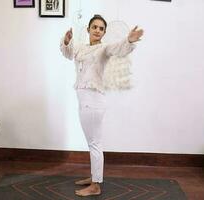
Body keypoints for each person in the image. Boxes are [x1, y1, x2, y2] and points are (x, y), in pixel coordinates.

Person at [60, 14, 143, 197]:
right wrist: (66, 41)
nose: (98, 30)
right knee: (92, 143)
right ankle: (93, 177)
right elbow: (68, 52)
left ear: (104, 33)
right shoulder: (80, 48)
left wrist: (128, 40)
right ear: (88, 29)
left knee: (95, 143)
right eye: (95, 27)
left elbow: (118, 49)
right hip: (83, 100)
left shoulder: (103, 49)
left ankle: (96, 185)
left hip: (94, 101)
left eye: (101, 28)